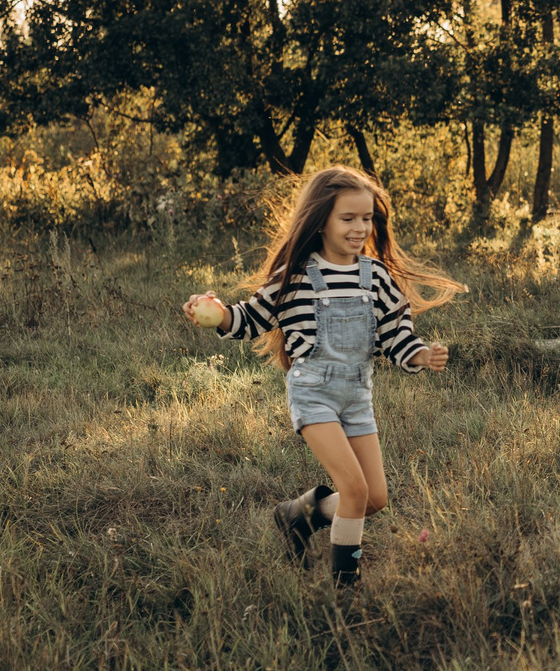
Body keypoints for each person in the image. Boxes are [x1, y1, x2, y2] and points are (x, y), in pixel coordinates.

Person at [183, 166, 462, 593]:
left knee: (374, 500)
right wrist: (218, 313)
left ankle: (301, 514)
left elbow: (396, 335)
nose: (359, 227)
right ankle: (344, 589)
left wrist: (421, 355)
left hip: (356, 396)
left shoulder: (377, 277)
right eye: (347, 218)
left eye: (366, 218)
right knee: (353, 488)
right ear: (321, 220)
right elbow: (249, 319)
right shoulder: (293, 278)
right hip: (313, 393)